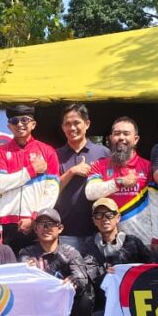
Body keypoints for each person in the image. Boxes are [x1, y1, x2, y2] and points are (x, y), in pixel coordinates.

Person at [18, 209, 93, 316]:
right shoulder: (27, 253)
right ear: (35, 228)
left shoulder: (70, 252)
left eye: (50, 224)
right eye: (41, 225)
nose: (46, 229)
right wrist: (27, 269)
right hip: (39, 307)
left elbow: (82, 278)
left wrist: (73, 281)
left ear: (60, 228)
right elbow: (24, 281)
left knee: (86, 298)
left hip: (65, 306)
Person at [79, 198, 152, 316]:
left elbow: (151, 269)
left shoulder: (134, 242)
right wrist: (106, 273)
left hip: (137, 306)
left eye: (109, 214)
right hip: (107, 307)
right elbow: (93, 275)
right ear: (94, 220)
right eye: (99, 215)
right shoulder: (88, 246)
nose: (104, 219)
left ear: (118, 217)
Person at [84, 116, 158, 247]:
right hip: (111, 242)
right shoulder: (100, 165)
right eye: (117, 133)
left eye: (126, 133)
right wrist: (119, 182)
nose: (121, 137)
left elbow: (156, 205)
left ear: (136, 139)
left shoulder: (148, 167)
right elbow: (90, 193)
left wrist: (157, 239)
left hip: (143, 241)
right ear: (111, 138)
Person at [0, 104, 61, 252]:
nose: (20, 124)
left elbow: (52, 191)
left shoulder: (48, 151)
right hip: (9, 224)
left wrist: (35, 218)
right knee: (12, 265)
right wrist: (31, 171)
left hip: (39, 223)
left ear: (33, 124)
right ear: (9, 126)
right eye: (14, 121)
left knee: (39, 264)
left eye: (24, 120)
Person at [55, 103, 109, 249]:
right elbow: (49, 191)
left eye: (76, 123)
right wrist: (71, 172)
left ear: (87, 124)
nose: (72, 128)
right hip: (66, 231)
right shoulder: (56, 155)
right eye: (67, 124)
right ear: (62, 127)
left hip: (98, 230)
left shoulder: (103, 153)